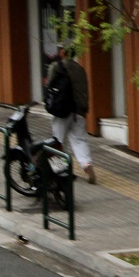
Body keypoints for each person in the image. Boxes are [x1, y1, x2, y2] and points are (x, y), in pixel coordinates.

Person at [45, 43, 96, 184]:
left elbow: (49, 86)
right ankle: (86, 165)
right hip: (78, 111)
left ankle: (61, 170)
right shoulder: (80, 69)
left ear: (62, 52)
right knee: (79, 140)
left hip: (62, 110)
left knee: (58, 141)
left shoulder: (56, 66)